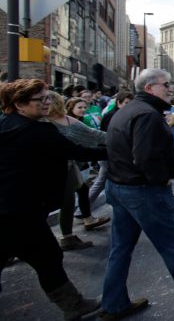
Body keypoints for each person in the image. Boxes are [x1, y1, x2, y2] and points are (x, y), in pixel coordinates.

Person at [102, 69, 174, 319]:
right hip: (142, 190)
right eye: (166, 85)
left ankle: (114, 304)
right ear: (149, 88)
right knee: (169, 240)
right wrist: (163, 179)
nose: (170, 88)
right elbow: (145, 157)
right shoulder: (146, 115)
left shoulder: (127, 111)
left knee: (121, 248)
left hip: (121, 186)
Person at [0, 79, 106, 320]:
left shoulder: (6, 124)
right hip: (20, 210)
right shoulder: (38, 130)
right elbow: (76, 151)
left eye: (48, 97)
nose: (48, 103)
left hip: (12, 207)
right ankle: (74, 305)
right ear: (19, 104)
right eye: (41, 100)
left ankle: (74, 305)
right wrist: (112, 152)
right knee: (48, 257)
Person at [47, 93, 110, 251]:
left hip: (67, 166)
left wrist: (120, 139)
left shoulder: (66, 121)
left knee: (71, 198)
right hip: (49, 170)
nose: (83, 109)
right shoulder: (40, 123)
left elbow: (93, 135)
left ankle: (70, 234)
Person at [89, 91, 133, 209]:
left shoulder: (125, 115)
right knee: (101, 181)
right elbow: (107, 136)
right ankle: (82, 209)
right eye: (126, 103)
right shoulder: (112, 115)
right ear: (118, 103)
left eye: (130, 104)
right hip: (108, 153)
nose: (128, 106)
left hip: (116, 153)